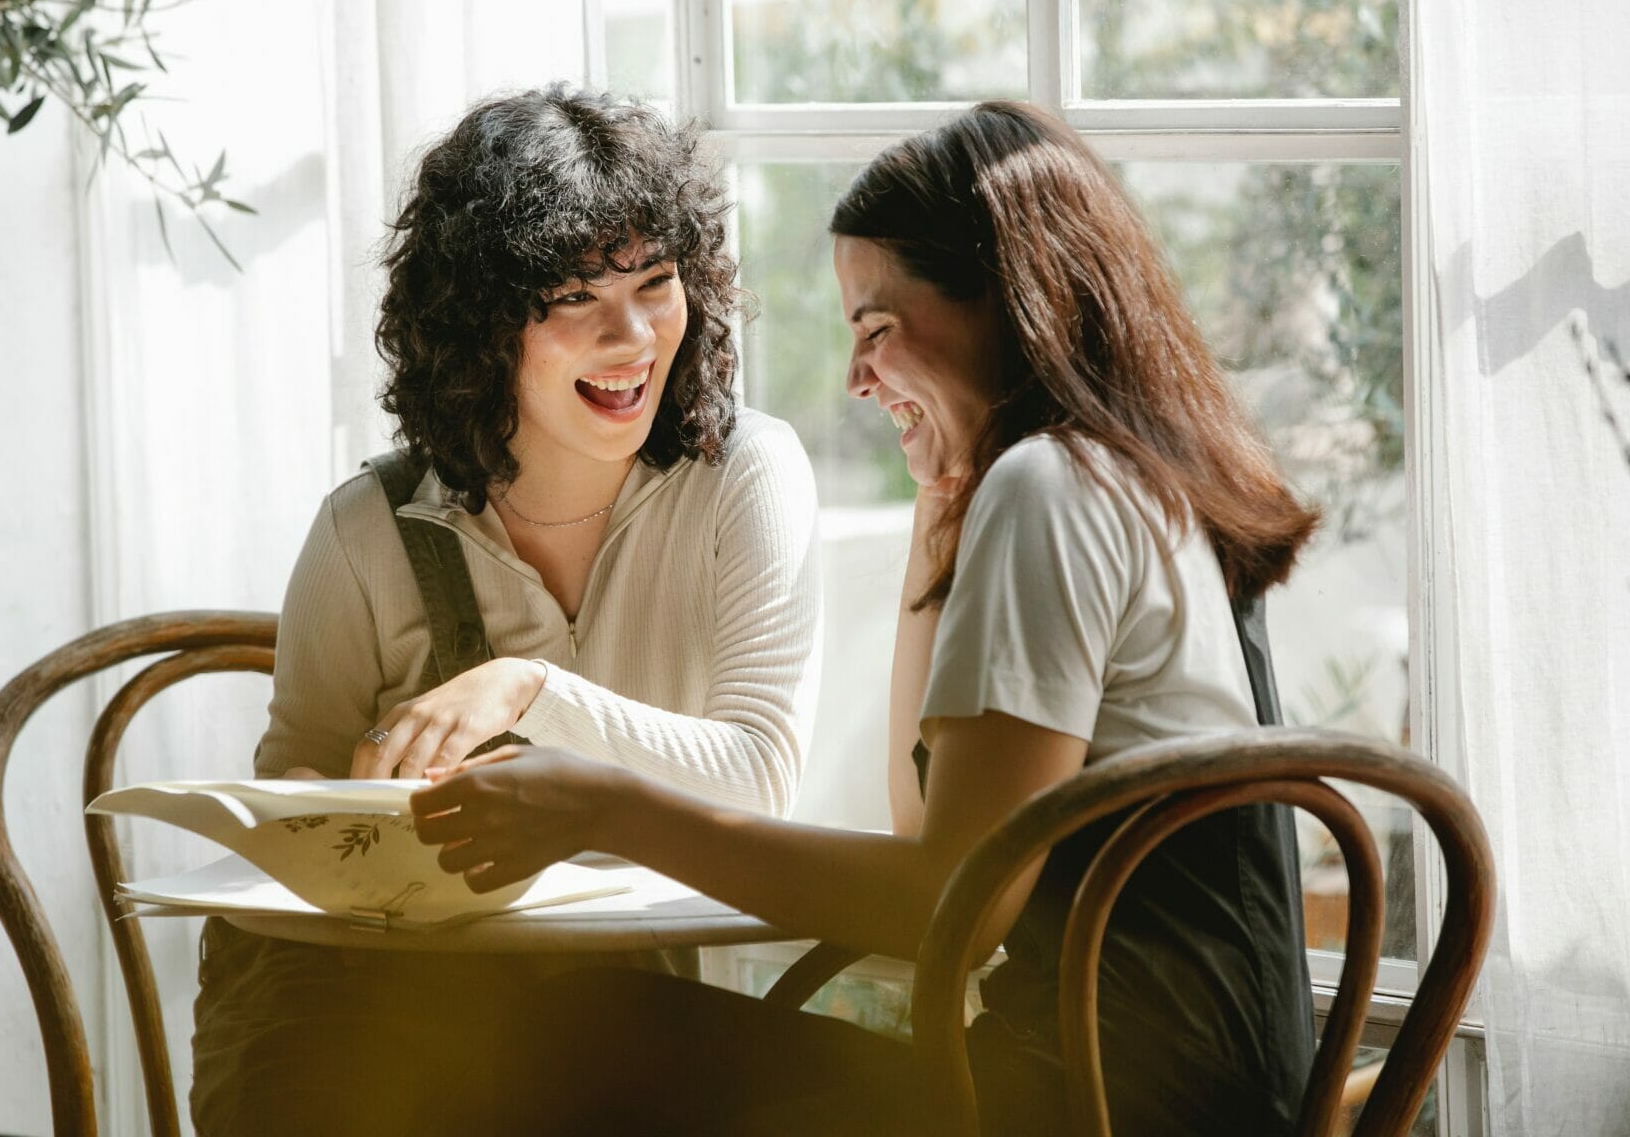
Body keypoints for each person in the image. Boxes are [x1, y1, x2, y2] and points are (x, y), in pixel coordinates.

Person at [411, 100, 1323, 1136]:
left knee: (577, 1039)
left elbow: (952, 910)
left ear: (1007, 304)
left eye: (877, 331)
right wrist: (940, 510)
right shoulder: (1119, 476)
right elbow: (925, 834)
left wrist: (605, 809)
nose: (853, 378)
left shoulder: (1052, 489)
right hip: (1192, 1092)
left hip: (1098, 1105)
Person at [188, 84, 822, 1136]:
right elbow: (293, 778)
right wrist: (340, 808)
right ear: (481, 326)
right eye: (575, 299)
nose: (634, 340)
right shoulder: (367, 530)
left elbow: (761, 782)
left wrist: (528, 689)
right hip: (388, 1021)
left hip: (627, 1017)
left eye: (657, 284)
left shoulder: (745, 475)